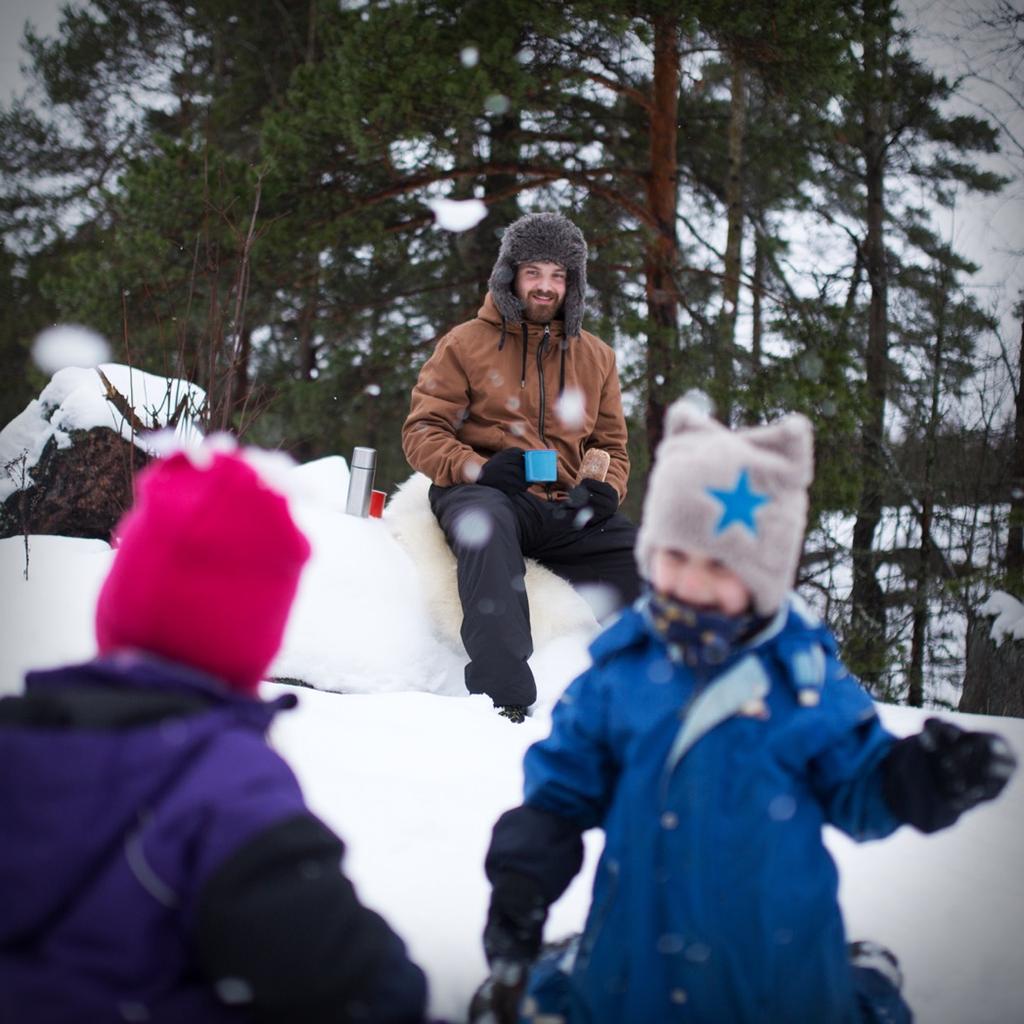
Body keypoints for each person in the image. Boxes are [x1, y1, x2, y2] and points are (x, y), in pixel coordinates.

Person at [473, 401, 1017, 1023]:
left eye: (719, 566)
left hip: (777, 960)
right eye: (675, 557)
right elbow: (561, 794)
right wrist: (525, 877)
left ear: (763, 575)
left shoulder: (804, 681)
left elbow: (861, 790)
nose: (691, 584)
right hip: (636, 952)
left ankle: (854, 976)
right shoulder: (619, 675)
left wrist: (921, 778)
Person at [0, 448, 428, 1024]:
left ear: (117, 601)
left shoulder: (20, 737)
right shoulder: (231, 790)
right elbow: (363, 987)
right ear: (257, 635)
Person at [402, 211, 640, 723]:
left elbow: (613, 446)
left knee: (637, 557)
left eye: (558, 275)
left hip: (561, 505)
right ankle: (501, 698)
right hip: (483, 492)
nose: (545, 286)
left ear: (572, 283)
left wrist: (607, 489)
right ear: (509, 274)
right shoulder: (465, 343)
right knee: (485, 524)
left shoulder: (596, 356)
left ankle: (668, 693)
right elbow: (421, 432)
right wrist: (474, 469)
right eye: (534, 272)